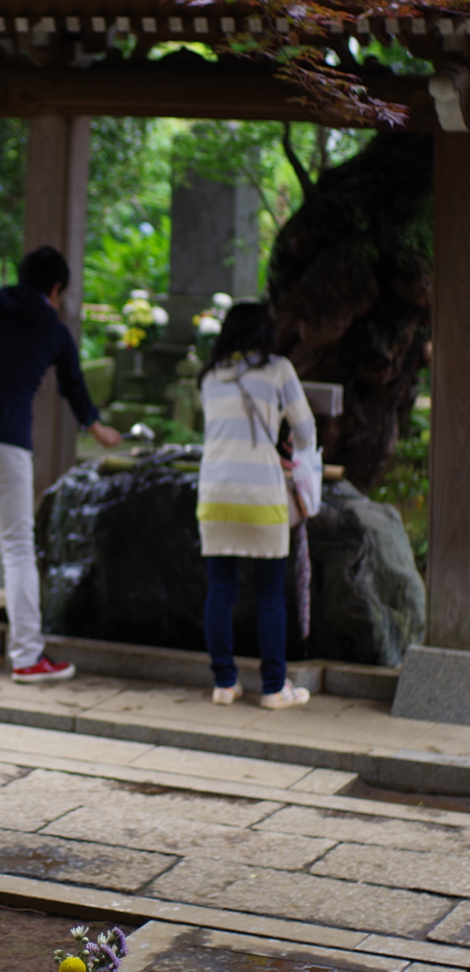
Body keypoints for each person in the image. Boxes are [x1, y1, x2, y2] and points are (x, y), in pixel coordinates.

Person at [0, 245, 121, 683]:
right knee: (17, 547)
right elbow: (73, 382)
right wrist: (95, 425)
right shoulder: (51, 327)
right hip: (8, 443)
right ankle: (27, 657)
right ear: (55, 289)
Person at [197, 300, 315, 710]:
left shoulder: (210, 376)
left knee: (220, 591)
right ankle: (273, 687)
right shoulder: (278, 369)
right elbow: (305, 431)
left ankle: (224, 683)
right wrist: (294, 446)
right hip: (260, 493)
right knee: (269, 594)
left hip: (214, 493)